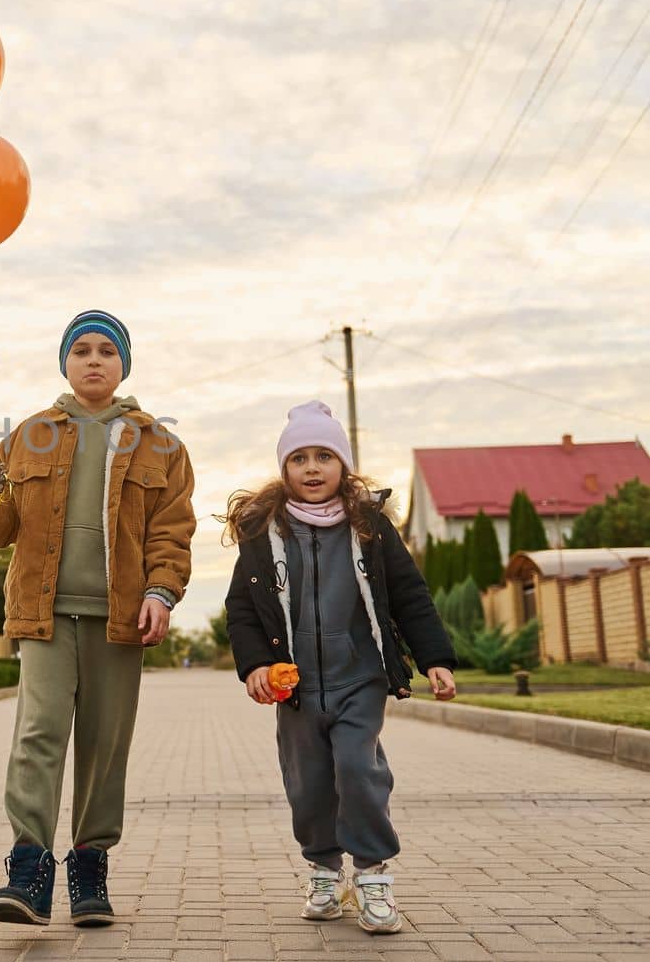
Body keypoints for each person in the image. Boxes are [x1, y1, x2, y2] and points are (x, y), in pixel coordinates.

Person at [0, 309, 195, 927]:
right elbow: (5, 529)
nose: (93, 360)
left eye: (106, 351)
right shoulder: (28, 434)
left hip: (120, 620)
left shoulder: (160, 443)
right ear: (64, 362)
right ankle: (29, 869)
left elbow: (172, 532)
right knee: (38, 736)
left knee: (106, 746)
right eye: (80, 349)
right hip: (44, 614)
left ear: (123, 365)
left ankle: (89, 866)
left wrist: (161, 593)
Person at [221, 400, 457, 935]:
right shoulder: (264, 533)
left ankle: (372, 876)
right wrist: (257, 664)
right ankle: (325, 871)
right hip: (296, 688)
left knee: (357, 768)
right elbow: (242, 610)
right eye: (299, 457)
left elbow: (409, 595)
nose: (311, 467)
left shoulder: (369, 527)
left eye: (324, 455)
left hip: (359, 677)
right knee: (307, 783)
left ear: (343, 465)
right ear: (283, 469)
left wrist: (435, 658)